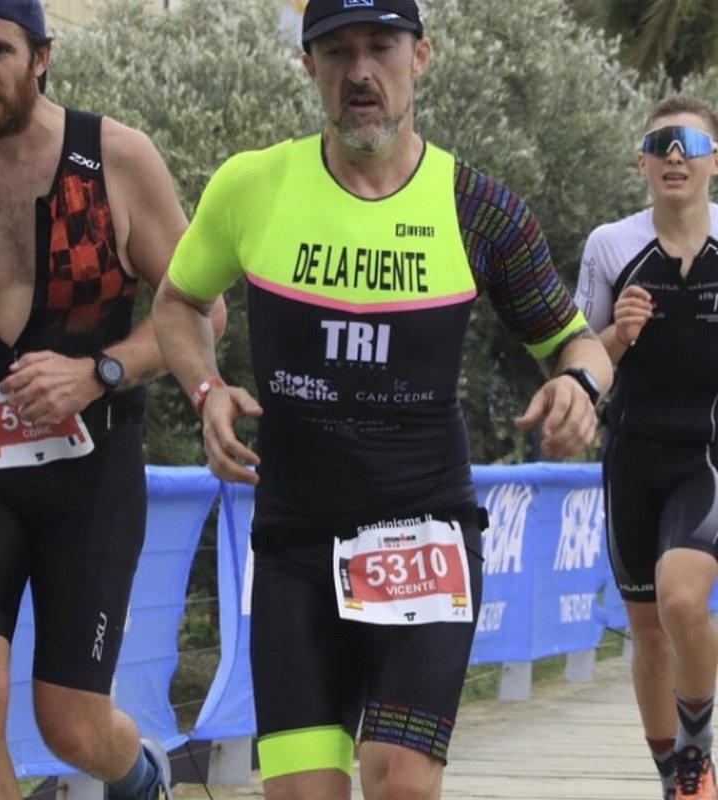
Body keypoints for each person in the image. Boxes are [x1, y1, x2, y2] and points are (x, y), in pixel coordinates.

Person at [152, 0, 613, 798]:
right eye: (336, 52)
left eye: (381, 47)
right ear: (308, 67)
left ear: (419, 58)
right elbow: (178, 302)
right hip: (295, 539)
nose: (360, 72)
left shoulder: (478, 209)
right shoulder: (253, 185)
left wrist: (578, 386)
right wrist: (206, 389)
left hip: (422, 530)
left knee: (399, 778)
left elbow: (579, 344)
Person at [0, 1, 224, 798]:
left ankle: (139, 779)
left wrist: (99, 372)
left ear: (42, 56)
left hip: (92, 470)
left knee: (70, 723)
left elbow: (203, 312)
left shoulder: (116, 157)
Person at [574, 93, 718, 800]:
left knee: (682, 601)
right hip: (632, 458)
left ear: (715, 161)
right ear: (641, 162)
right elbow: (580, 363)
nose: (675, 157)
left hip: (707, 458)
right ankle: (672, 778)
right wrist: (618, 335)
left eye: (690, 144)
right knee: (648, 632)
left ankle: (697, 752)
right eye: (661, 144)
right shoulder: (610, 246)